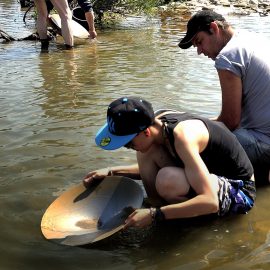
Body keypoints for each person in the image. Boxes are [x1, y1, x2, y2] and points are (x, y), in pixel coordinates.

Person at [83, 97, 255, 228]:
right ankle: (158, 205)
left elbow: (210, 201)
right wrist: (111, 171)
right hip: (207, 174)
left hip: (239, 190)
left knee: (167, 180)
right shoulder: (156, 123)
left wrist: (154, 215)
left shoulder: (183, 137)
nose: (128, 148)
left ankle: (172, 220)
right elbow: (174, 162)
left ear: (146, 132)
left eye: (128, 143)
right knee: (146, 152)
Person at [178, 10, 270, 185]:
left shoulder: (228, 57)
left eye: (199, 42)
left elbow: (230, 122)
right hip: (264, 138)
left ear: (214, 28)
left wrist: (188, 127)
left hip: (264, 146)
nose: (199, 51)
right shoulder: (251, 39)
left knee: (186, 145)